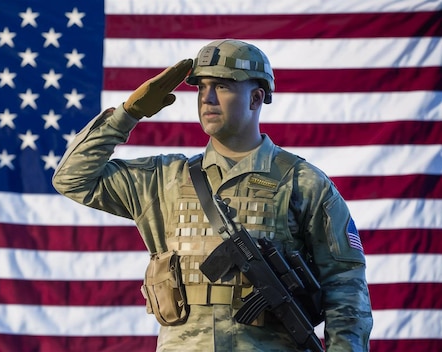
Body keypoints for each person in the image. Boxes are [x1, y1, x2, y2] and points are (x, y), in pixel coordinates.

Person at [52, 39, 373, 351]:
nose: (207, 99)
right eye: (201, 87)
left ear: (256, 98)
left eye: (223, 86)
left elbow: (345, 288)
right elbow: (72, 178)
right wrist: (127, 114)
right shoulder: (164, 180)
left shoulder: (302, 182)